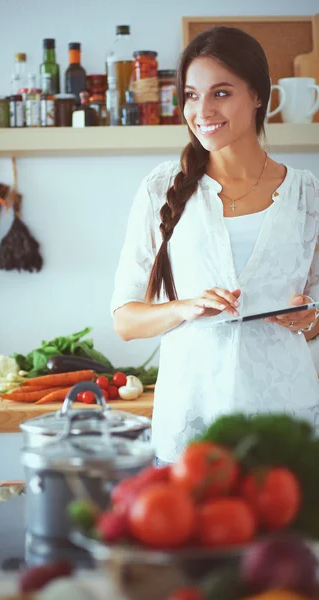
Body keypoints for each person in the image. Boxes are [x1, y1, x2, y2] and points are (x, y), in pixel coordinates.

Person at [110, 26, 319, 466]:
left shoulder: (307, 195)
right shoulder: (160, 189)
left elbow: (316, 318)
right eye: (190, 95)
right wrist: (183, 308)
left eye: (220, 93)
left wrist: (309, 316)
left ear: (258, 96)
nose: (201, 110)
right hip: (193, 417)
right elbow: (126, 319)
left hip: (287, 418)